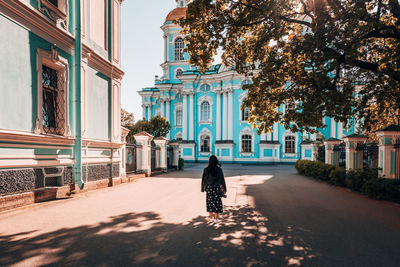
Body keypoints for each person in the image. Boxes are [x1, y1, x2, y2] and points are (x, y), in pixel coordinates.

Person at [201, 155, 227, 223]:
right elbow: (222, 179)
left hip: (209, 188)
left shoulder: (206, 169)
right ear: (216, 161)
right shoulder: (218, 169)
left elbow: (204, 179)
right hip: (216, 188)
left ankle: (211, 218)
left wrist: (203, 187)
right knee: (216, 202)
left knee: (209, 202)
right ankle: (216, 219)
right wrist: (224, 188)